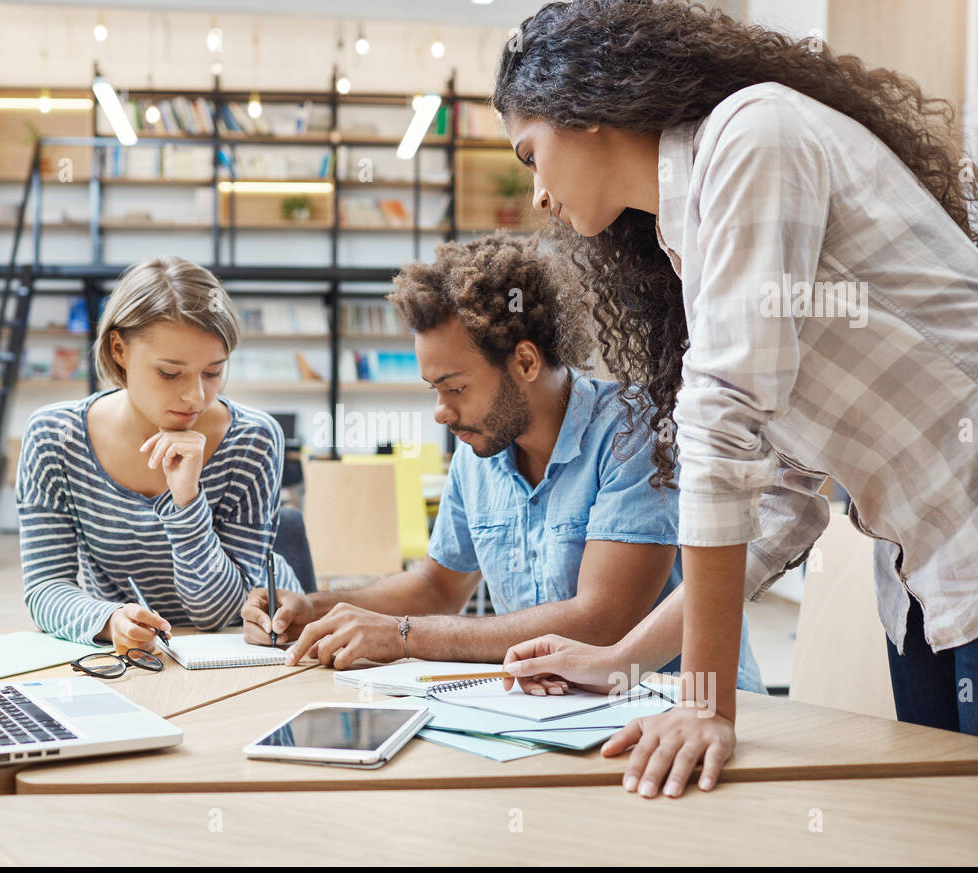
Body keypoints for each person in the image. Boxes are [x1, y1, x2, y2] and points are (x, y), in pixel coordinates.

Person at [491, 0, 978, 798]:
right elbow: (780, 498)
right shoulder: (687, 228)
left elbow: (724, 416)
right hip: (925, 568)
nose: (537, 193)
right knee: (947, 829)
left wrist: (705, 704)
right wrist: (622, 661)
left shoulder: (750, 135)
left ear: (584, 108)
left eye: (531, 155)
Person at [241, 234, 764, 693]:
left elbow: (601, 621)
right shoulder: (481, 448)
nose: (442, 412)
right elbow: (438, 586)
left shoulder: (632, 431)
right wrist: (317, 608)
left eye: (456, 388)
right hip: (557, 709)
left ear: (526, 362)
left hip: (672, 703)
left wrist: (403, 635)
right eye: (435, 390)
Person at [15, 256, 301, 653]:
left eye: (213, 372)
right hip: (134, 653)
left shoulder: (253, 440)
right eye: (170, 373)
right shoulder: (55, 437)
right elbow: (46, 586)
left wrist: (186, 500)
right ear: (118, 349)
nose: (196, 396)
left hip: (242, 649)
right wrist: (107, 620)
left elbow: (217, 613)